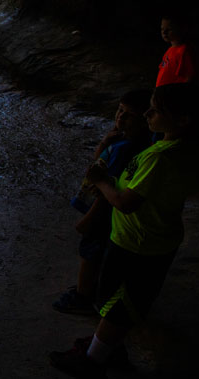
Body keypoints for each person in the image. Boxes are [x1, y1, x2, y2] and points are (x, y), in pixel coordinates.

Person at [49, 83, 199, 378]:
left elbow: (125, 203)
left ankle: (94, 360)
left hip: (136, 242)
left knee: (116, 303)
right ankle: (106, 346)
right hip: (157, 238)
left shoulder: (160, 157)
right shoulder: (188, 148)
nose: (148, 113)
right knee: (123, 300)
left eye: (156, 110)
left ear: (183, 119)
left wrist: (101, 181)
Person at [53, 89, 153, 316]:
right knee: (99, 250)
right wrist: (104, 143)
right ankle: (94, 288)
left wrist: (89, 219)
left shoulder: (128, 150)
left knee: (91, 250)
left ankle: (83, 295)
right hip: (108, 208)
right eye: (119, 111)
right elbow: (99, 165)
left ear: (145, 121)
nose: (120, 118)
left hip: (105, 210)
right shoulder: (121, 140)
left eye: (129, 115)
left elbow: (107, 186)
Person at [157, 15, 195, 86]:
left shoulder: (183, 51)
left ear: (180, 29)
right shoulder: (169, 50)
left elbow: (189, 76)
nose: (164, 32)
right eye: (162, 29)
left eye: (169, 29)